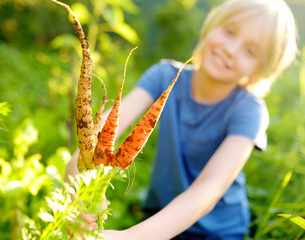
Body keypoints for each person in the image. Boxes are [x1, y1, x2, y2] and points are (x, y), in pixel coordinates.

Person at [65, 0, 298, 239]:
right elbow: (95, 138)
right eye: (229, 31)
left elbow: (211, 187)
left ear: (260, 70)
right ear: (211, 25)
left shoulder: (250, 111)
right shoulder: (163, 75)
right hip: (157, 220)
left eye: (250, 50)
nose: (231, 49)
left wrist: (129, 237)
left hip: (218, 233)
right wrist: (77, 180)